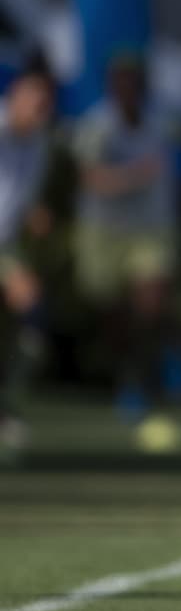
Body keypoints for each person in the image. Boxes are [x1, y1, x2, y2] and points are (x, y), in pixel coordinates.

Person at [71, 52, 181, 430]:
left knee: (152, 301)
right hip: (104, 230)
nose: (129, 89)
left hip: (152, 228)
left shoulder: (160, 121)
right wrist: (136, 175)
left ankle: (152, 367)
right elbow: (90, 179)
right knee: (113, 311)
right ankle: (130, 374)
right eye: (122, 81)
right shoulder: (96, 127)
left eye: (135, 81)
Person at [0, 66, 56, 459]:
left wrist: (35, 215)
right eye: (34, 99)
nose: (40, 108)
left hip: (5, 246)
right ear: (16, 95)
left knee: (34, 318)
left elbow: (17, 205)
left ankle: (6, 406)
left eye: (46, 102)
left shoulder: (39, 145)